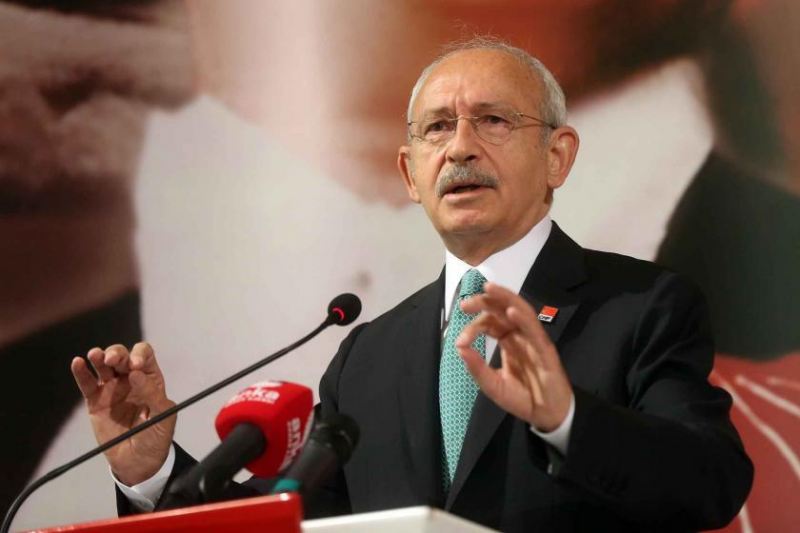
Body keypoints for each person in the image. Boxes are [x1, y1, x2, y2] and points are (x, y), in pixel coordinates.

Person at [71, 39, 753, 531]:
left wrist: (566, 418)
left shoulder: (641, 307)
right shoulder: (368, 353)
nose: (459, 147)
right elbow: (297, 518)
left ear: (557, 156)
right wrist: (151, 471)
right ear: (410, 173)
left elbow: (711, 482)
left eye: (493, 120)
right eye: (436, 128)